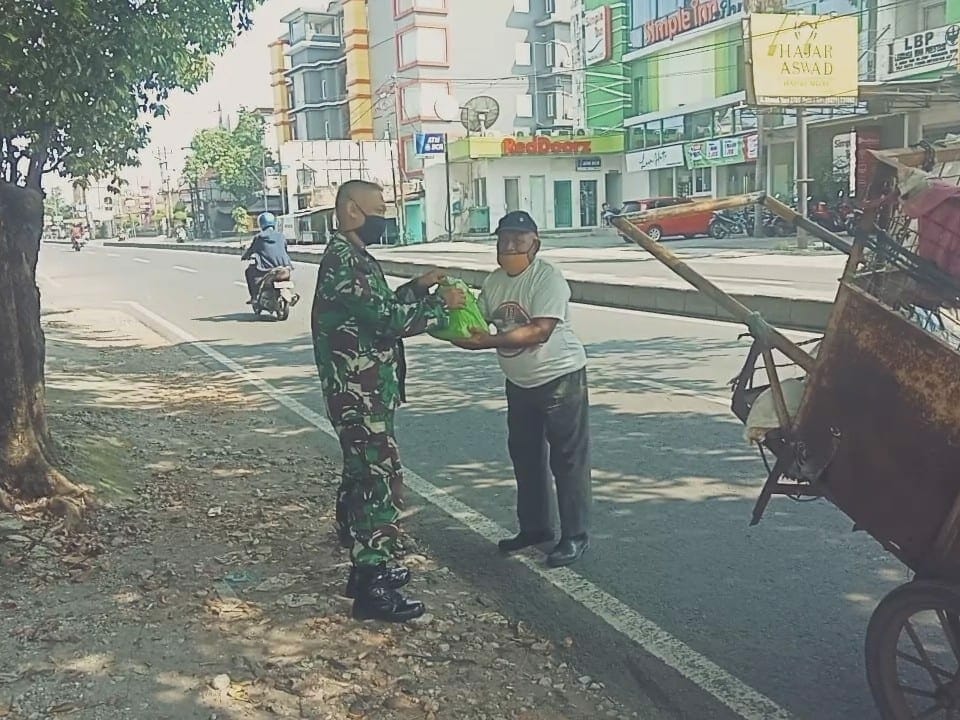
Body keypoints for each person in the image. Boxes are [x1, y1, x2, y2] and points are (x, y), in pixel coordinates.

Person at [311, 179, 466, 623]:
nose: (386, 216)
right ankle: (372, 587)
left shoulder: (354, 257)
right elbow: (388, 320)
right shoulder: (346, 261)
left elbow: (377, 308)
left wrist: (417, 288)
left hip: (364, 390)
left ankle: (367, 568)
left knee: (366, 475)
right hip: (358, 393)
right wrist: (442, 305)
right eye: (379, 208)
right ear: (352, 211)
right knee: (375, 482)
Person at [455, 210, 592, 568]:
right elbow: (476, 314)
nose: (510, 247)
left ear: (535, 244)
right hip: (519, 383)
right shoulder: (496, 280)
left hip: (559, 378)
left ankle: (575, 536)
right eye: (504, 241)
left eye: (519, 240)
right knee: (526, 457)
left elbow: (540, 330)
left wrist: (490, 341)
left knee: (567, 460)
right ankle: (535, 528)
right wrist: (453, 305)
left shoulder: (547, 278)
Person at [241, 212, 293, 303]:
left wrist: (245, 256)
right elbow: (284, 249)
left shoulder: (259, 237)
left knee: (249, 271)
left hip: (267, 270)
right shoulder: (281, 236)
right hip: (285, 268)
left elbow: (251, 250)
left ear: (261, 224)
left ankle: (254, 297)